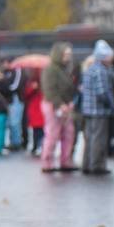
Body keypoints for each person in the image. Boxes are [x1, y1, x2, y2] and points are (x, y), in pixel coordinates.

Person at [80, 39, 114, 175]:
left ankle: (87, 164)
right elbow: (102, 92)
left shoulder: (91, 68)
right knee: (98, 139)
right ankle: (97, 166)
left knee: (90, 139)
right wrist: (112, 105)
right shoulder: (101, 71)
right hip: (98, 111)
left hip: (89, 110)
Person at [40, 42, 78, 173]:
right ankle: (47, 162)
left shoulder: (65, 69)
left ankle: (65, 161)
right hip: (53, 105)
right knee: (52, 134)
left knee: (69, 134)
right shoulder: (50, 69)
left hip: (66, 105)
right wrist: (60, 104)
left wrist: (69, 102)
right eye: (66, 54)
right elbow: (49, 90)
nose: (68, 56)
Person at [23, 73, 45, 156]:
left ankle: (40, 146)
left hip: (41, 107)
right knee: (36, 129)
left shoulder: (44, 83)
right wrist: (33, 88)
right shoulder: (30, 83)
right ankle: (36, 146)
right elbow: (26, 94)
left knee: (41, 129)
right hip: (34, 108)